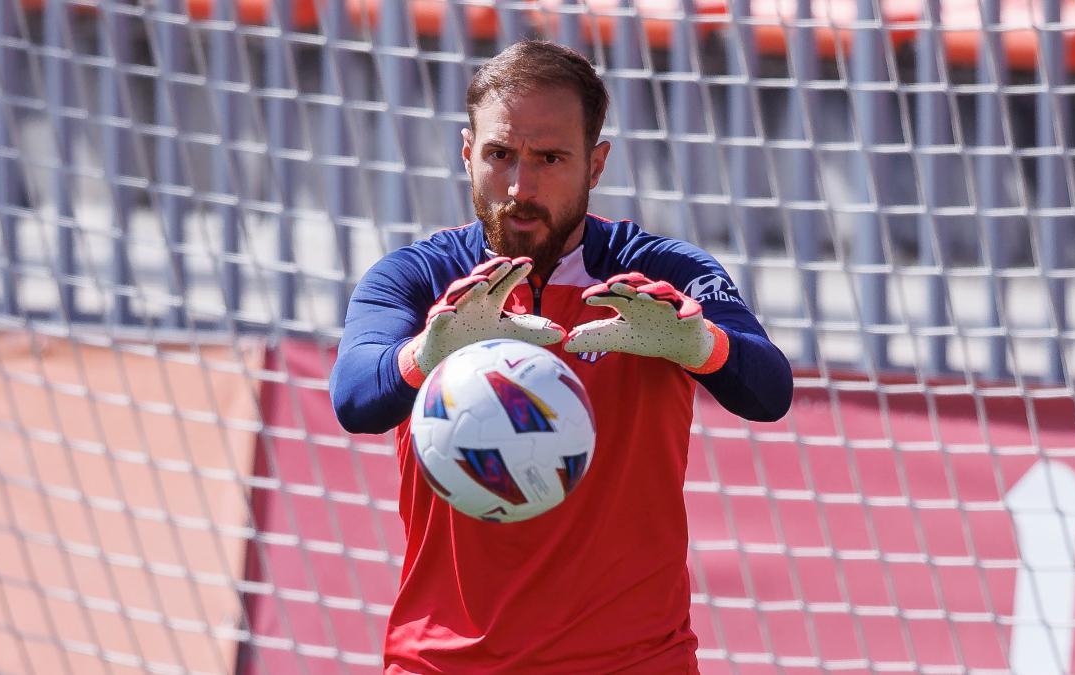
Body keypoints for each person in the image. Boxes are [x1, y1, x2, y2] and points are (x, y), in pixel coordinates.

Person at [330, 40, 793, 674]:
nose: (521, 186)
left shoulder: (661, 272)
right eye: (500, 155)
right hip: (444, 662)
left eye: (551, 158)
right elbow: (355, 399)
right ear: (467, 153)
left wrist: (699, 344)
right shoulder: (415, 277)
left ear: (596, 164)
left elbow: (769, 392)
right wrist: (430, 350)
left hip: (632, 662)